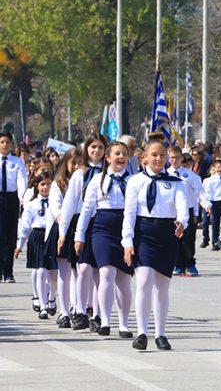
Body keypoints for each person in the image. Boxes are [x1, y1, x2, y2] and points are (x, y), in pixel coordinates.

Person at [122, 135, 188, 351]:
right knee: (143, 280)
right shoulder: (135, 181)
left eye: (162, 155)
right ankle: (142, 332)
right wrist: (127, 241)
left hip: (167, 234)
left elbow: (182, 205)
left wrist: (182, 222)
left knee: (162, 286)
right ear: (145, 157)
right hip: (144, 232)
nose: (158, 159)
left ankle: (160, 333)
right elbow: (129, 212)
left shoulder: (176, 182)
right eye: (154, 155)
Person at [75, 142, 133, 337]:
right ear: (107, 158)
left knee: (124, 278)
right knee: (106, 272)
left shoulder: (133, 180)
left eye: (124, 154)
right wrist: (79, 235)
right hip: (102, 229)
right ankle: (105, 320)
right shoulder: (97, 180)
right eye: (117, 153)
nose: (121, 157)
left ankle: (124, 324)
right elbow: (86, 209)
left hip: (126, 229)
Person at [58, 133, 107, 331]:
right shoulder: (80, 174)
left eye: (100, 147)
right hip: (82, 222)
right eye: (92, 147)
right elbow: (69, 205)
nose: (96, 151)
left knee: (99, 271)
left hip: (103, 222)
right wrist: (63, 232)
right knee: (82, 269)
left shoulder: (109, 173)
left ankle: (97, 313)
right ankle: (78, 310)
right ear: (86, 149)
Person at [44, 148, 83, 328]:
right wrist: (64, 224)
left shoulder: (85, 180)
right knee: (64, 273)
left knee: (79, 272)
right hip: (62, 229)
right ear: (65, 163)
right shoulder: (57, 184)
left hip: (80, 227)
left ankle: (78, 308)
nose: (75, 166)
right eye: (72, 162)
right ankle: (64, 311)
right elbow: (56, 209)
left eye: (79, 163)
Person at [15, 171, 58, 319]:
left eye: (49, 184)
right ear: (36, 186)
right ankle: (43, 305)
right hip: (37, 236)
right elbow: (25, 226)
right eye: (43, 184)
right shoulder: (31, 205)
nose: (46, 187)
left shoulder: (57, 202)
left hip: (52, 236)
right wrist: (20, 245)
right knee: (40, 271)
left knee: (53, 274)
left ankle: (52, 297)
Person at [168, 145, 202, 277]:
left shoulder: (189, 175)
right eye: (171, 158)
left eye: (176, 157)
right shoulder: (166, 174)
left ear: (182, 158)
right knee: (175, 239)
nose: (174, 160)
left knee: (188, 239)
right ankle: (178, 264)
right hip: (172, 211)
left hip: (188, 210)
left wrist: (197, 212)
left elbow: (198, 192)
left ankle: (190, 263)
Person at [0, 132, 27, 283]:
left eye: (7, 142)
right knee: (0, 234)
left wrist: (22, 198)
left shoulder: (17, 162)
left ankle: (8, 272)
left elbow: (21, 179)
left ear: (11, 144)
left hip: (11, 199)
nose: (4, 145)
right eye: (2, 142)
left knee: (10, 236)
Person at [201, 159, 221, 252]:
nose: (220, 169)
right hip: (214, 202)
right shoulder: (210, 180)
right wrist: (208, 204)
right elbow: (208, 192)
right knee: (215, 223)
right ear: (214, 168)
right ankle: (214, 242)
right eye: (218, 167)